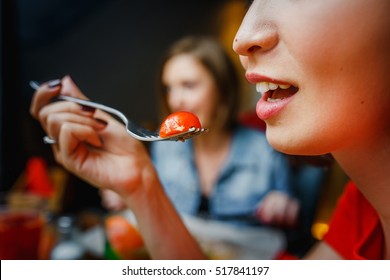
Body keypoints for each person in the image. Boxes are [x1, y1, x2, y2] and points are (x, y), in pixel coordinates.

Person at [30, 0, 390, 260]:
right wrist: (140, 185)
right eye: (170, 88)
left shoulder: (265, 149)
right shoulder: (362, 212)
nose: (242, 38)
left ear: (221, 92)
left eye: (190, 85)